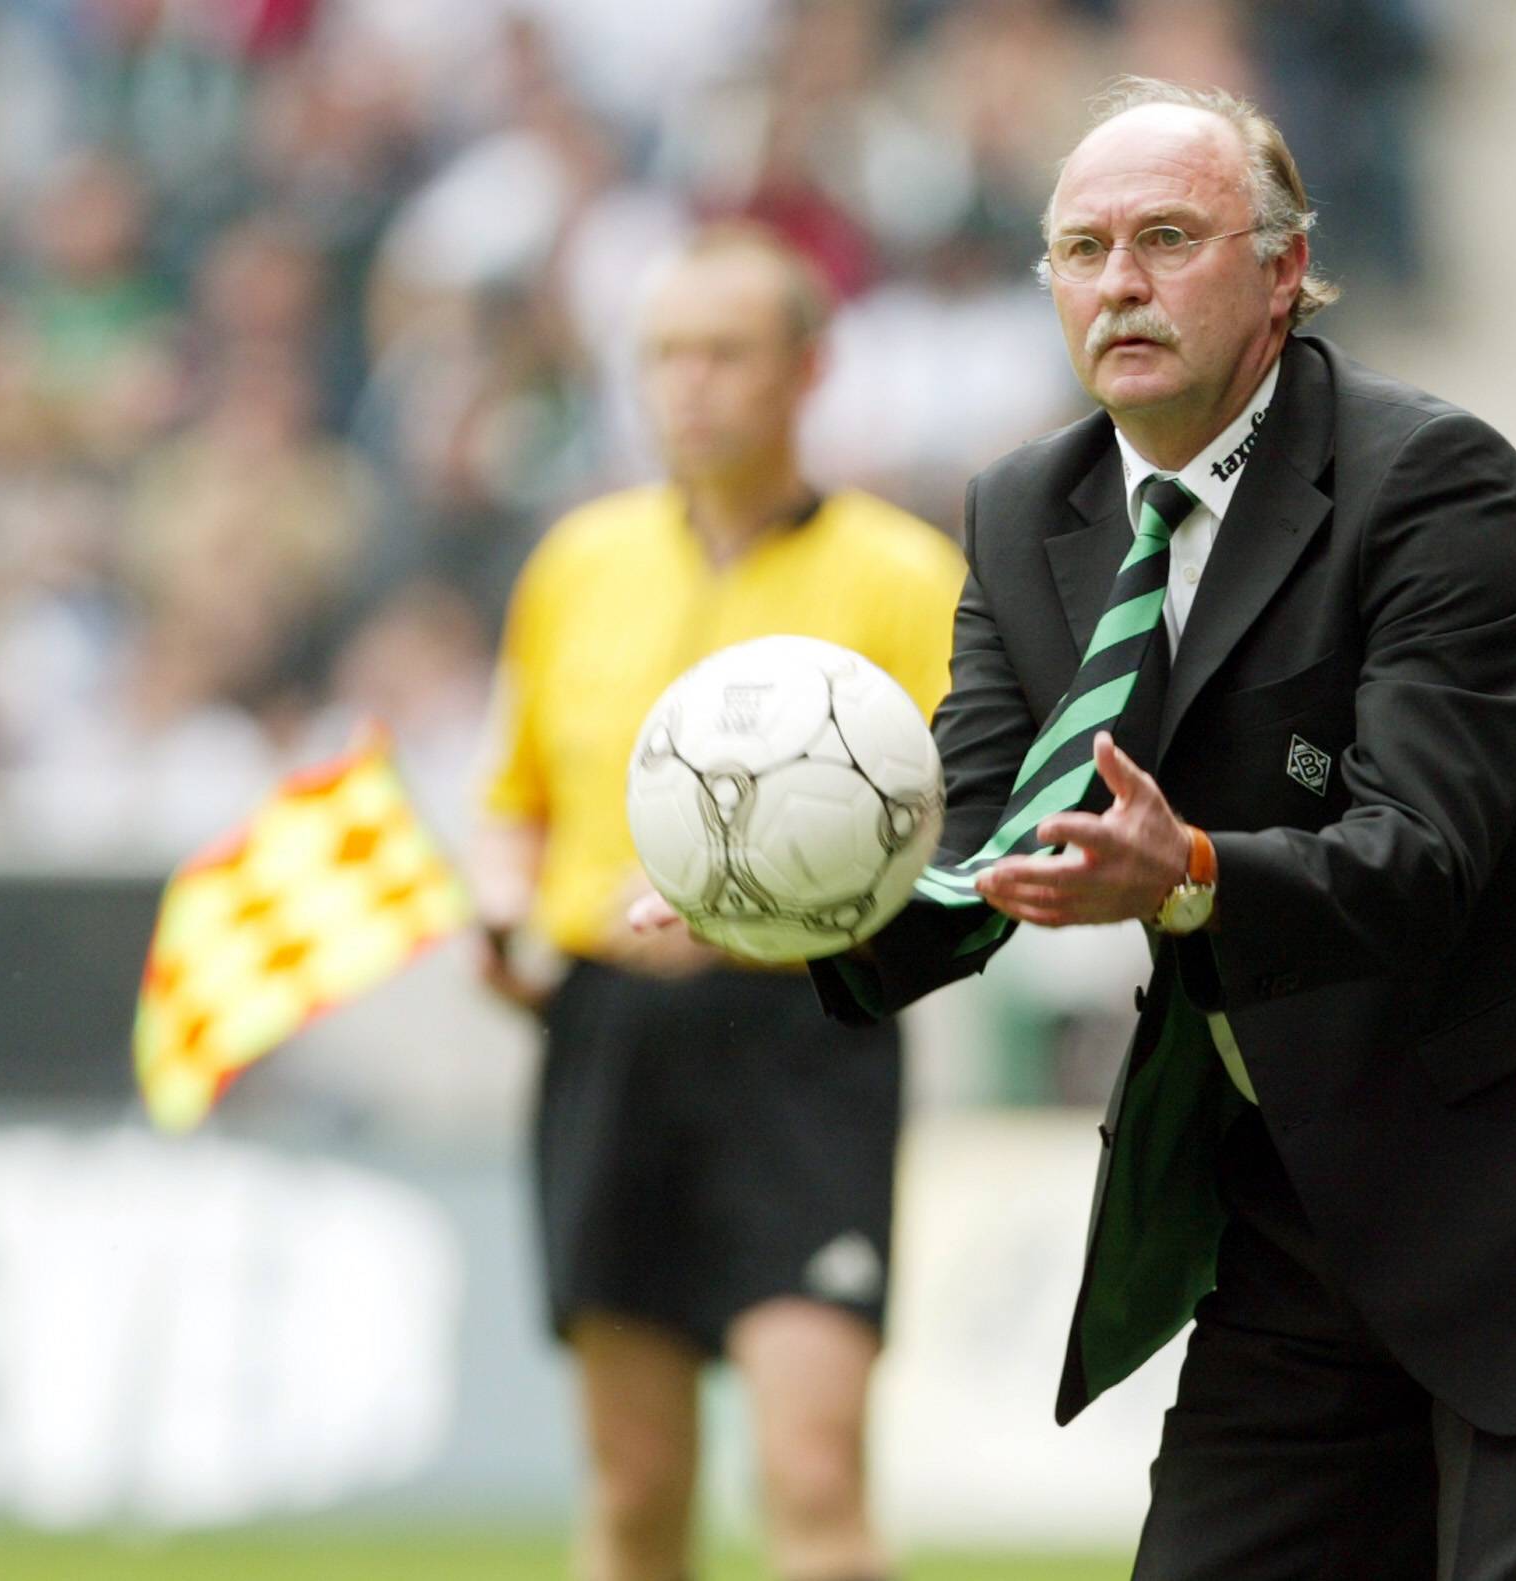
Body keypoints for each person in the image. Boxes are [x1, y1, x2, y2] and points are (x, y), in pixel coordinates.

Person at [641, 78, 1516, 1579]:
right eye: (1082, 247)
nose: (1118, 280)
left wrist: (1179, 876)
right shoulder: (1020, 512)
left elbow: (1420, 858)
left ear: (1283, 267)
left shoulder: (1434, 482)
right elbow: (974, 835)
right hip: (1306, 1196)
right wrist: (789, 911)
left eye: (1166, 238)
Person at [474, 224, 963, 1581]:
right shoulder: (575, 562)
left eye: (725, 352)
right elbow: (512, 797)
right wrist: (505, 912)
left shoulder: (901, 574)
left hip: (804, 1033)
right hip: (607, 1030)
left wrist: (770, 906)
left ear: (809, 368)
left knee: (810, 1468)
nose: (689, 383)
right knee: (631, 1487)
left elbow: (967, 819)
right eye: (664, 355)